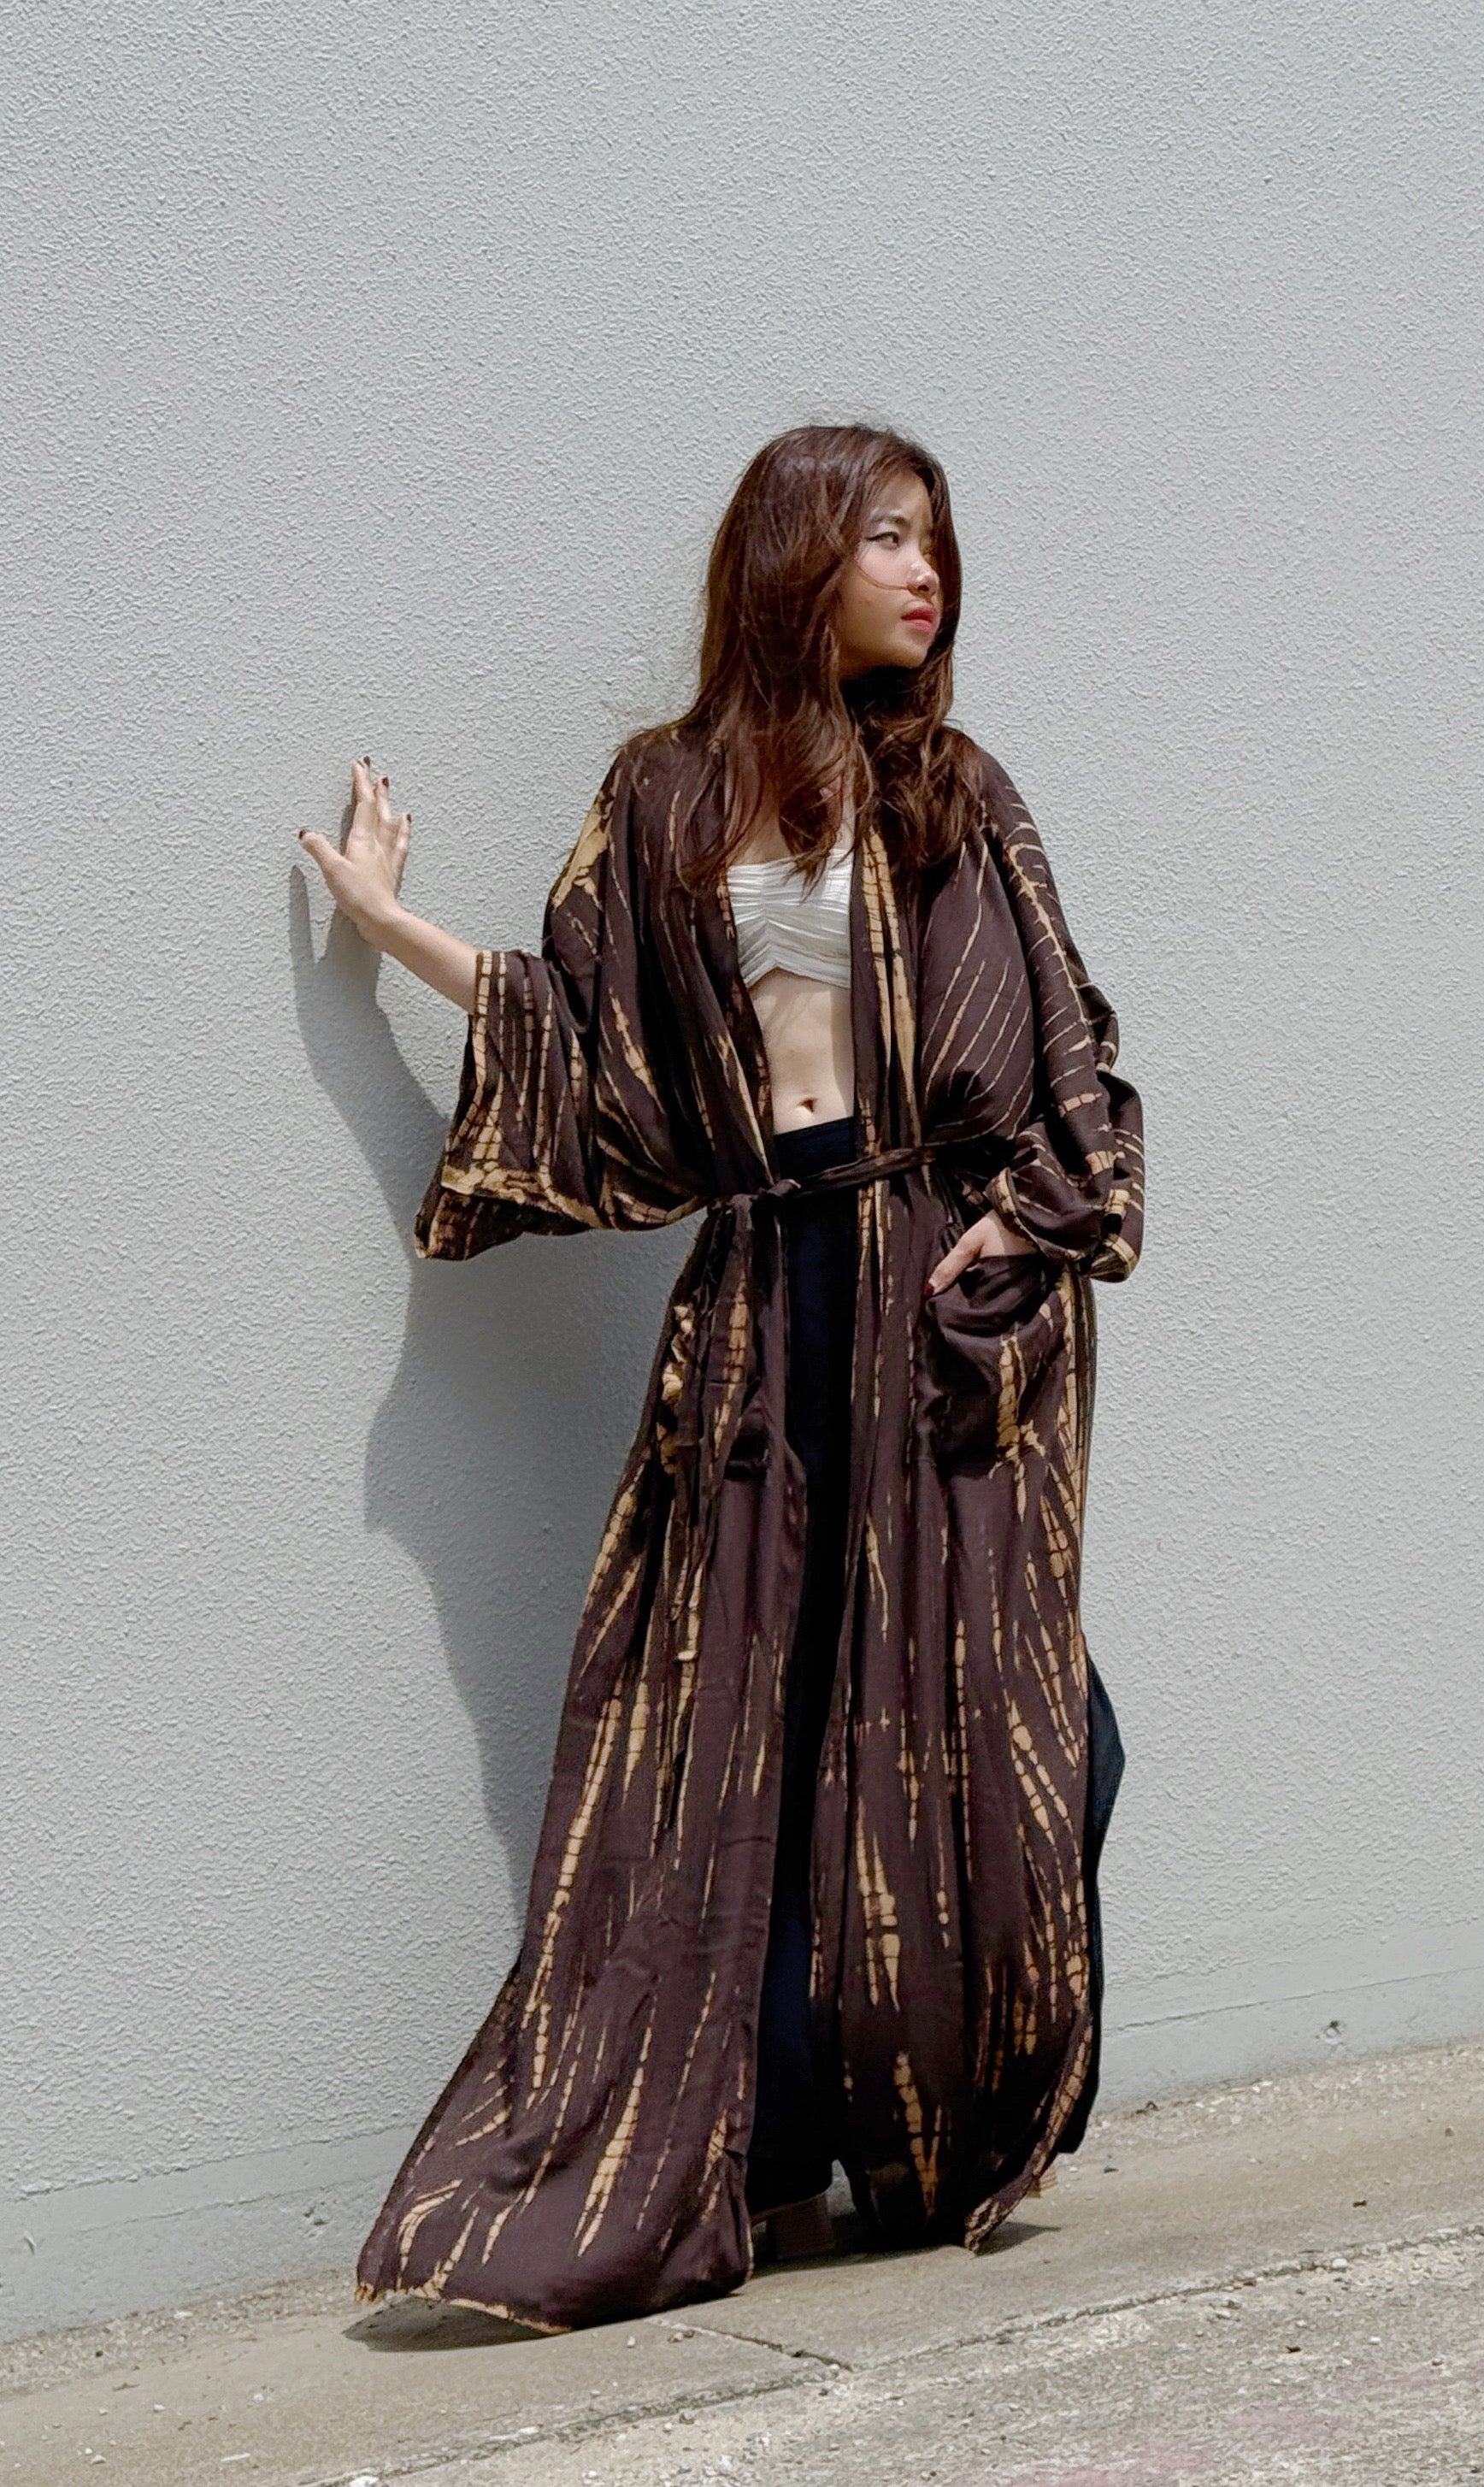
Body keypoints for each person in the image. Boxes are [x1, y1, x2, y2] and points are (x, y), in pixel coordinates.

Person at [298, 423, 1145, 2331]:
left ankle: (921, 2111)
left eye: (937, 544)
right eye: (886, 539)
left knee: (1041, 1737)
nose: (926, 576)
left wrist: (1024, 1228)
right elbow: (591, 1047)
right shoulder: (662, 797)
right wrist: (386, 930)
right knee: (737, 1750)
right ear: (794, 558)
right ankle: (747, 2140)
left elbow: (1069, 1038)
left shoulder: (952, 789)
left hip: (942, 1313)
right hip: (765, 1308)